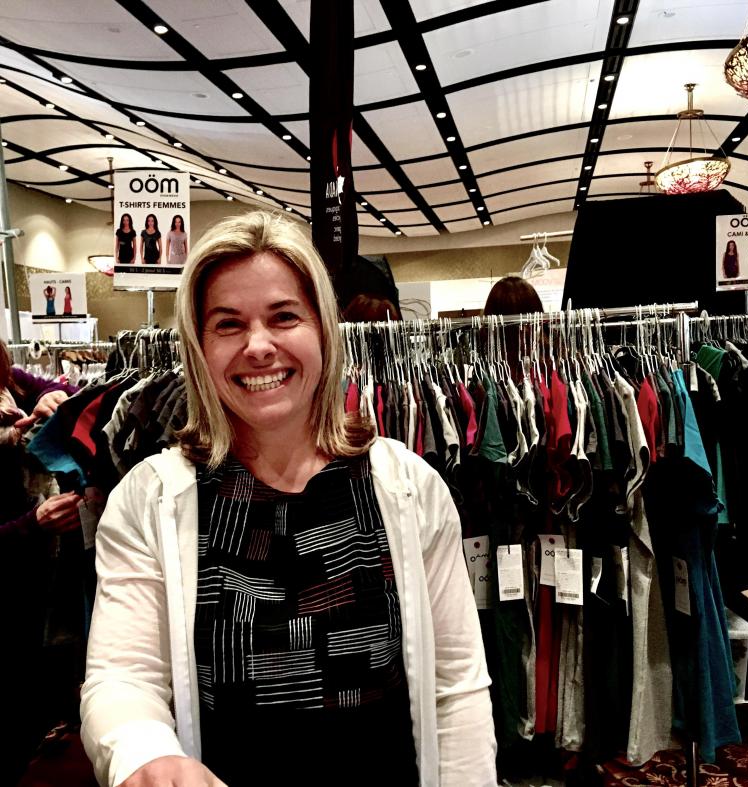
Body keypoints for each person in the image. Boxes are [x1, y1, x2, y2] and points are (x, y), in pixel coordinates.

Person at [81, 210, 496, 787]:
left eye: (284, 317)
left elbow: (456, 685)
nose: (258, 346)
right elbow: (124, 676)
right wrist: (145, 753)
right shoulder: (149, 500)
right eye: (228, 324)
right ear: (199, 346)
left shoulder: (406, 486)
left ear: (322, 329)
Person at [0, 340, 81, 785]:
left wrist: (54, 395)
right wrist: (33, 524)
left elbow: (62, 389)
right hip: (14, 564)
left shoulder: (10, 382)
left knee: (34, 693)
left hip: (35, 576)